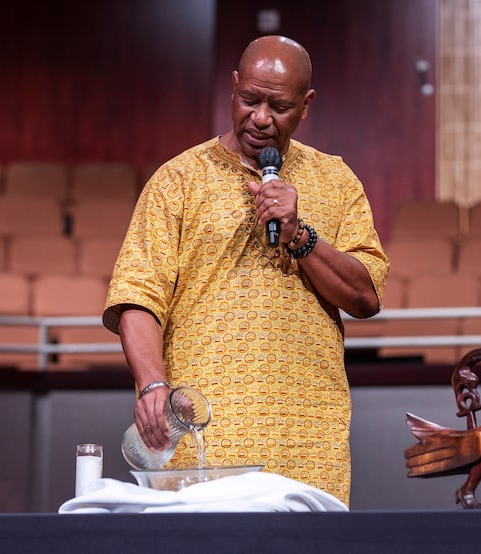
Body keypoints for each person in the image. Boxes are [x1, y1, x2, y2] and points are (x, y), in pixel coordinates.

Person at [103, 35, 389, 505]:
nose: (259, 118)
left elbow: (365, 297)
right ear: (232, 87)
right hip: (202, 439)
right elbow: (137, 295)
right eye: (249, 99)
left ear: (306, 105)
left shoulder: (337, 180)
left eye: (277, 106)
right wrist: (153, 384)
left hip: (308, 444)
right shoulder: (177, 179)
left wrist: (300, 235)